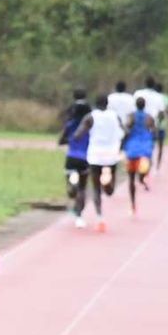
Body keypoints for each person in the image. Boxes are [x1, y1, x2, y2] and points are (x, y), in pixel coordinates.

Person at [73, 94, 125, 232]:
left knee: (96, 189)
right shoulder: (115, 116)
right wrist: (120, 144)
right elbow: (125, 131)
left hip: (95, 156)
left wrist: (79, 137)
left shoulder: (90, 117)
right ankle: (107, 184)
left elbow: (78, 134)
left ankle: (100, 217)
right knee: (110, 191)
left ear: (95, 104)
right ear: (107, 104)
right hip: (111, 155)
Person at [58, 88, 93, 228]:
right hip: (85, 158)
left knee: (71, 186)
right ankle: (79, 215)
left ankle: (72, 188)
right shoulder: (90, 127)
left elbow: (61, 140)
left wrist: (69, 141)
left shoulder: (70, 124)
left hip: (71, 157)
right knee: (83, 189)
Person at [122, 97, 157, 216]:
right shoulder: (149, 117)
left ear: (135, 105)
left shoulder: (131, 116)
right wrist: (151, 141)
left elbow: (126, 130)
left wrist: (122, 144)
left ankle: (133, 205)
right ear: (144, 105)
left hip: (132, 148)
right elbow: (154, 132)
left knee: (131, 178)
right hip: (145, 148)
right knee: (146, 166)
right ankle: (142, 178)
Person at [154, 83, 168, 170]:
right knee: (160, 146)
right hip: (161, 125)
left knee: (151, 145)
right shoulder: (166, 98)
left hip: (152, 125)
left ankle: (149, 163)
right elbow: (167, 109)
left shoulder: (153, 97)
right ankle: (158, 165)